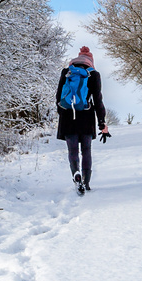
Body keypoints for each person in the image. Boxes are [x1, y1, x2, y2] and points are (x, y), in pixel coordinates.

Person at [55, 46, 109, 195]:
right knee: (86, 150)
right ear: (91, 61)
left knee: (72, 150)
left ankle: (76, 175)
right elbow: (98, 100)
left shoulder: (67, 72)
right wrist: (102, 122)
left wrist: (62, 112)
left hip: (67, 116)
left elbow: (58, 96)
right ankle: (86, 181)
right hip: (86, 117)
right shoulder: (94, 74)